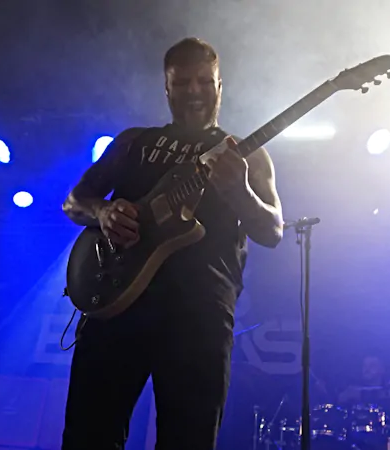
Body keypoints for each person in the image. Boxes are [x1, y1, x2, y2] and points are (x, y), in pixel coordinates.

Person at [60, 37, 283, 449]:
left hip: (198, 316)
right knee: (88, 436)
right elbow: (74, 201)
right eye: (182, 83)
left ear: (220, 87)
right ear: (167, 88)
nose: (194, 92)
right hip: (116, 302)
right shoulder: (133, 142)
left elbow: (272, 230)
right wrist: (104, 213)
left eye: (204, 82)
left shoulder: (247, 156)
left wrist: (241, 193)